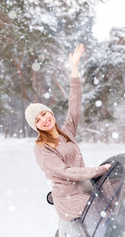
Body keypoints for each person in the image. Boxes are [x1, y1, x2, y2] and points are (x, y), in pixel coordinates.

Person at [25, 44, 111, 236]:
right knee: (107, 216)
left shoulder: (66, 132)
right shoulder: (42, 148)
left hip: (85, 190)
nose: (44, 120)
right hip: (70, 200)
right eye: (38, 120)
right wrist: (98, 171)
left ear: (50, 113)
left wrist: (74, 68)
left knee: (114, 200)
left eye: (44, 114)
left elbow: (74, 103)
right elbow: (67, 172)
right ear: (36, 127)